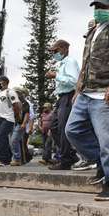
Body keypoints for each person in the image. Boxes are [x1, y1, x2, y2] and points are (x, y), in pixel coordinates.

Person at [66, 0, 109, 199]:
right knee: (72, 131)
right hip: (86, 93)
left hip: (107, 94)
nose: (99, 11)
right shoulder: (93, 31)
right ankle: (105, 164)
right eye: (96, 7)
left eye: (104, 7)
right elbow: (85, 62)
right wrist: (78, 89)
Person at [46, 39, 80, 170]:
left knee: (62, 129)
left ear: (64, 49)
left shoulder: (70, 62)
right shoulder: (62, 63)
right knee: (54, 127)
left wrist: (56, 75)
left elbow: (74, 81)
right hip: (61, 98)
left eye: (56, 50)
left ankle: (66, 160)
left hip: (68, 96)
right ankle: (70, 155)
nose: (54, 53)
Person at [10, 87, 30, 166]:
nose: (16, 94)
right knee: (14, 142)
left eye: (17, 93)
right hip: (13, 124)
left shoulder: (25, 103)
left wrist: (24, 123)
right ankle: (18, 159)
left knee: (14, 140)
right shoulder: (14, 102)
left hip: (20, 124)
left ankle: (17, 158)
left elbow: (27, 114)